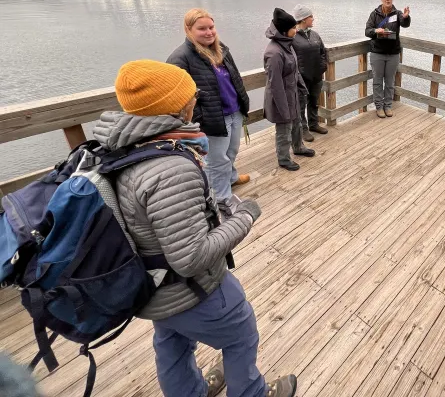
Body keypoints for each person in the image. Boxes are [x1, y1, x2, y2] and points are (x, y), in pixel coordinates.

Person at [94, 59, 297, 397]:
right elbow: (190, 258)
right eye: (189, 96)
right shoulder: (171, 169)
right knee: (241, 335)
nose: (194, 101)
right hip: (193, 290)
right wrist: (244, 217)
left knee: (171, 344)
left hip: (154, 289)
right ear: (172, 106)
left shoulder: (120, 146)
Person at [167, 8, 250, 217]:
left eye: (211, 27)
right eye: (201, 28)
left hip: (234, 112)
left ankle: (230, 178)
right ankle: (221, 199)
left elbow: (235, 78)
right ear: (188, 29)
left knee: (231, 153)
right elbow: (177, 97)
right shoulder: (181, 57)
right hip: (213, 119)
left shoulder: (220, 49)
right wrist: (198, 119)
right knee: (216, 161)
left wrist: (243, 103)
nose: (208, 32)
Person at [264, 8, 315, 171]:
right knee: (284, 128)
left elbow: (295, 69)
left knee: (297, 123)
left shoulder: (287, 44)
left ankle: (299, 147)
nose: (296, 29)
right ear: (285, 31)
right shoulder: (274, 53)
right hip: (281, 98)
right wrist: (283, 108)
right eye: (293, 28)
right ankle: (284, 158)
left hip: (293, 93)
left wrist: (302, 86)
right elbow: (275, 85)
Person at [365, 0, 411, 118]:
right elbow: (367, 31)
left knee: (390, 81)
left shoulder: (398, 14)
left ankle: (388, 105)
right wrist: (376, 31)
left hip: (393, 54)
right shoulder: (374, 14)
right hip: (377, 53)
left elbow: (404, 23)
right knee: (378, 81)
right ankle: (379, 107)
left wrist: (406, 17)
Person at [291, 4, 329, 142]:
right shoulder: (293, 37)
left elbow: (323, 52)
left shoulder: (315, 35)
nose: (313, 19)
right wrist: (298, 74)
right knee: (301, 104)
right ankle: (303, 129)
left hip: (316, 76)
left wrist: (322, 66)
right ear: (303, 19)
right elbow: (290, 58)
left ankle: (313, 124)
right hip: (301, 78)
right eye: (311, 17)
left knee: (314, 101)